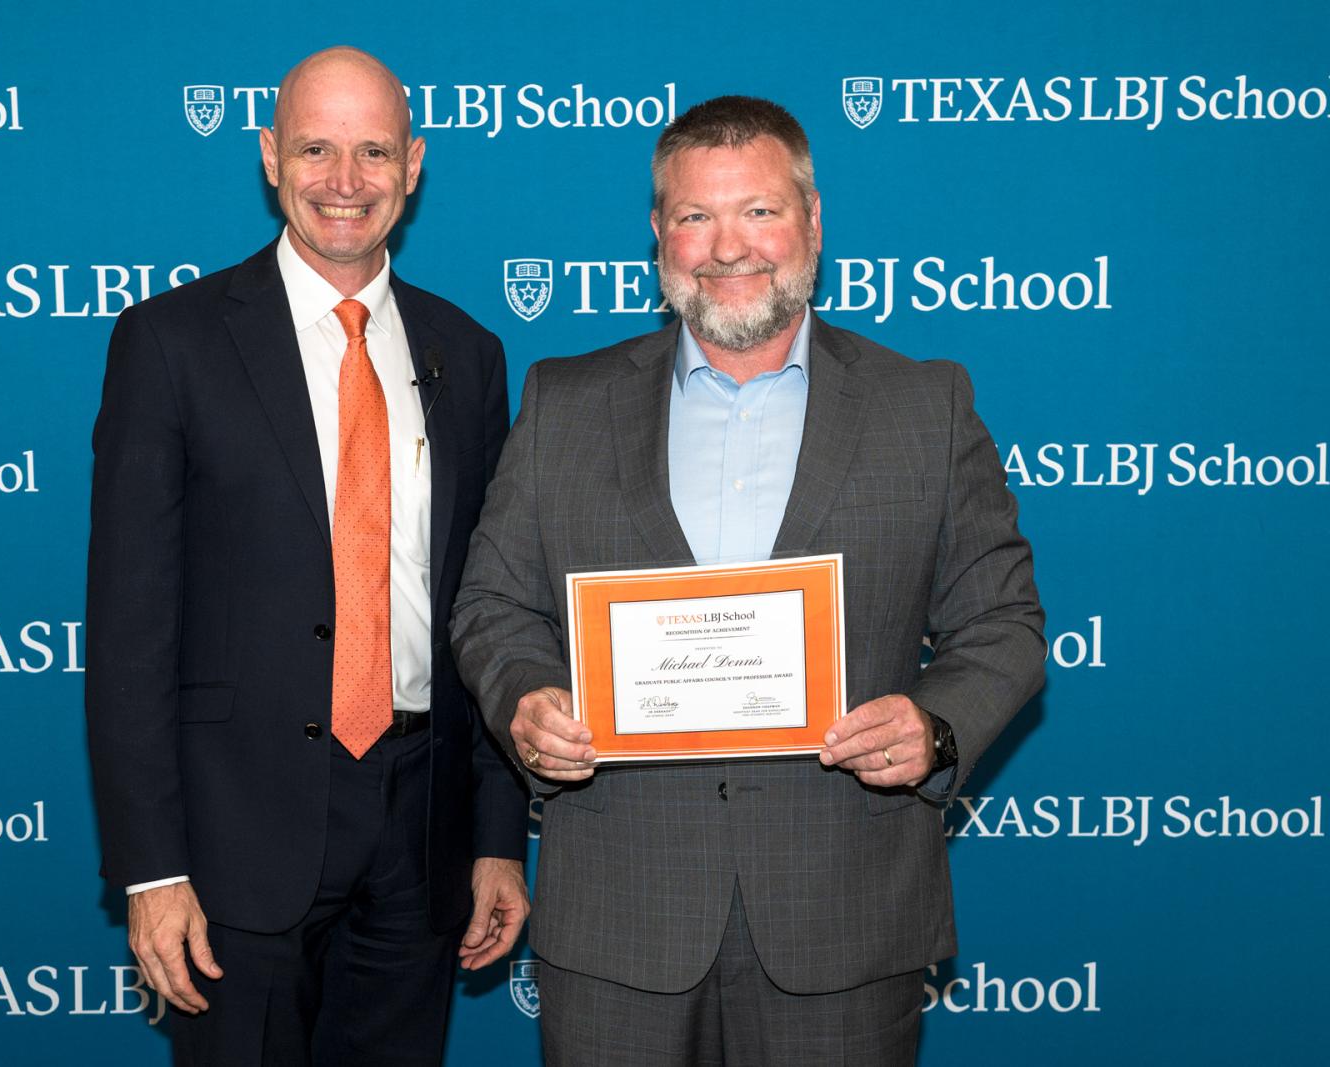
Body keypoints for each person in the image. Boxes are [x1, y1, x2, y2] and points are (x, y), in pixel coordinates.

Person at [451, 95, 1044, 1065]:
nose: (728, 247)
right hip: (621, 919)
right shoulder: (565, 401)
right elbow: (493, 604)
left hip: (843, 916)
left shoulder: (924, 404)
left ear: (812, 220)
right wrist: (525, 696)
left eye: (759, 210)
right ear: (659, 232)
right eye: (696, 215)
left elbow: (1004, 623)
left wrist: (935, 727)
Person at [86, 46, 529, 1067]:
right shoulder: (171, 342)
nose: (345, 180)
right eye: (316, 149)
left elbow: (489, 610)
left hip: (423, 830)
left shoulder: (467, 354)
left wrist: (498, 834)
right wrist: (152, 867)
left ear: (412, 164)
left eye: (372, 151)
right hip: (234, 836)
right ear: (269, 157)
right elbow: (128, 627)